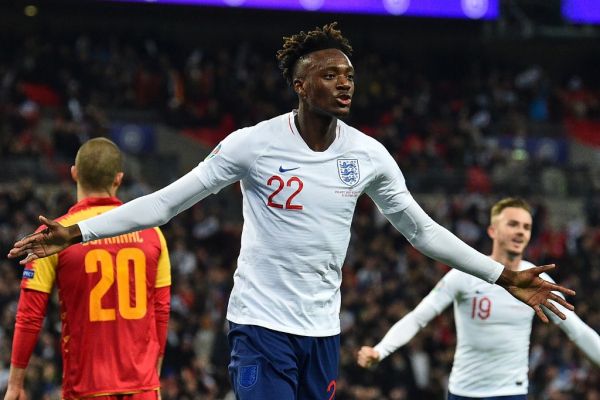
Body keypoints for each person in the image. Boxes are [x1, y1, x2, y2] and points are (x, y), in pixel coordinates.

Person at [8, 24, 574, 400]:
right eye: (331, 75)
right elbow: (165, 203)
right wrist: (76, 231)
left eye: (349, 75)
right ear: (301, 85)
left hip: (322, 332)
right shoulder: (251, 145)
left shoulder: (368, 155)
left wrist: (505, 275)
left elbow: (423, 231)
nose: (344, 83)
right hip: (258, 327)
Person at [357, 197, 600, 400]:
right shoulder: (465, 275)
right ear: (493, 230)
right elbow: (419, 317)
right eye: (513, 224)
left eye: (526, 227)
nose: (520, 232)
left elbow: (576, 330)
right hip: (463, 391)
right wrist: (381, 351)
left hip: (511, 392)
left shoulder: (537, 281)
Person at [4, 138, 171, 400]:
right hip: (142, 387)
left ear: (74, 173)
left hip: (86, 387)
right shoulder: (153, 234)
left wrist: (16, 383)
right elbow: (161, 310)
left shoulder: (54, 236)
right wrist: (155, 378)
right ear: (119, 179)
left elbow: (29, 314)